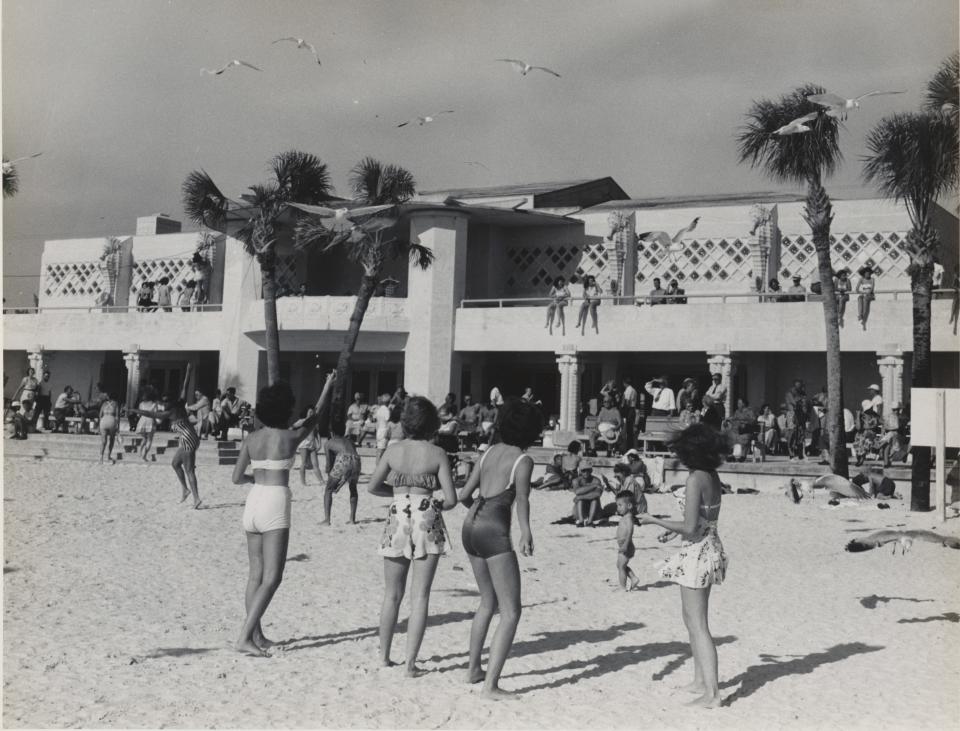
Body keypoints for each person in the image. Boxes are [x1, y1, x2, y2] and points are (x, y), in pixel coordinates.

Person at [231, 372, 336, 657]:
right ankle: (244, 636)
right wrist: (326, 385)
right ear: (287, 409)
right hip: (275, 501)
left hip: (253, 501)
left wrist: (255, 480)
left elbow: (236, 478)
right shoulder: (290, 437)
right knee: (273, 577)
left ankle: (257, 635)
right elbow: (316, 415)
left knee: (255, 575)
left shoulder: (252, 439)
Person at [638, 424, 729, 708]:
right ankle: (701, 681)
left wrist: (655, 520)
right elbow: (701, 521)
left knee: (698, 623)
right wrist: (674, 530)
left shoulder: (694, 479)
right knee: (691, 620)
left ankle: (712, 693)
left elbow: (690, 527)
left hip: (697, 551)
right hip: (709, 545)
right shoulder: (711, 475)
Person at [367, 396, 458, 676]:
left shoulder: (393, 451)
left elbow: (373, 486)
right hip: (426, 513)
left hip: (398, 513)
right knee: (420, 596)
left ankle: (383, 656)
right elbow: (452, 499)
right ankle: (410, 664)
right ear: (432, 424)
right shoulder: (437, 454)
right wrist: (437, 503)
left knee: (392, 594)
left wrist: (395, 495)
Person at [457, 398, 539, 698]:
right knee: (511, 611)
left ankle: (473, 668)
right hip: (494, 530)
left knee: (487, 602)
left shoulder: (488, 452)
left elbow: (465, 494)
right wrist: (527, 531)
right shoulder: (523, 460)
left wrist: (477, 514)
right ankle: (491, 685)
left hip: (470, 525)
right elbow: (523, 499)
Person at [322, 434, 361, 525]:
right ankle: (352, 519)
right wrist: (341, 483)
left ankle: (327, 520)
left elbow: (329, 465)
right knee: (353, 488)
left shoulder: (328, 443)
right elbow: (350, 463)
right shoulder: (350, 441)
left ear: (331, 432)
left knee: (328, 490)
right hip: (357, 459)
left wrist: (332, 482)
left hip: (344, 459)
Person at [615, 491, 641, 591]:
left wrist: (625, 544)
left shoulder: (628, 518)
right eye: (617, 505)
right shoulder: (625, 517)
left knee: (621, 566)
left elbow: (630, 531)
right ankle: (633, 578)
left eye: (620, 505)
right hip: (625, 545)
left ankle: (622, 586)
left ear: (629, 505)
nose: (618, 508)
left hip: (627, 545)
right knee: (620, 565)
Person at [293, 406, 323, 487]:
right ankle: (303, 482)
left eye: (312, 412)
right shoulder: (302, 421)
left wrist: (319, 443)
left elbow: (317, 433)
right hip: (304, 444)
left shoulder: (315, 423)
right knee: (303, 463)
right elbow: (293, 427)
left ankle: (321, 481)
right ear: (306, 412)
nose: (311, 413)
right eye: (310, 412)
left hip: (312, 444)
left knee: (315, 464)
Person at [572, 461, 604, 527]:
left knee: (594, 499)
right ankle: (581, 521)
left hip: (594, 510)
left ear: (591, 471)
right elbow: (577, 492)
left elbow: (598, 494)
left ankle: (590, 521)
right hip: (581, 509)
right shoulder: (576, 481)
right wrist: (594, 486)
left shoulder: (596, 480)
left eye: (588, 470)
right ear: (580, 471)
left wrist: (580, 497)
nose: (586, 472)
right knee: (581, 500)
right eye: (584, 470)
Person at [134, 386, 160, 460]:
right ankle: (144, 455)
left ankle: (140, 451)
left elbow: (138, 414)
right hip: (150, 421)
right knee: (149, 440)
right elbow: (155, 414)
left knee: (144, 439)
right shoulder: (154, 404)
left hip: (142, 421)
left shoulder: (141, 404)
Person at [98, 393, 120, 464]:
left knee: (103, 441)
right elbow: (117, 416)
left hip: (103, 421)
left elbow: (100, 415)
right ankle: (108, 456)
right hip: (111, 421)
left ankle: (101, 458)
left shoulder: (104, 404)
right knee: (111, 439)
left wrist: (99, 425)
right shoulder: (116, 404)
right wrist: (118, 427)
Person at [374, 393, 392, 460]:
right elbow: (388, 421)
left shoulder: (379, 409)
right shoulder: (386, 410)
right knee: (382, 451)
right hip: (384, 431)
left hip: (379, 430)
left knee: (379, 450)